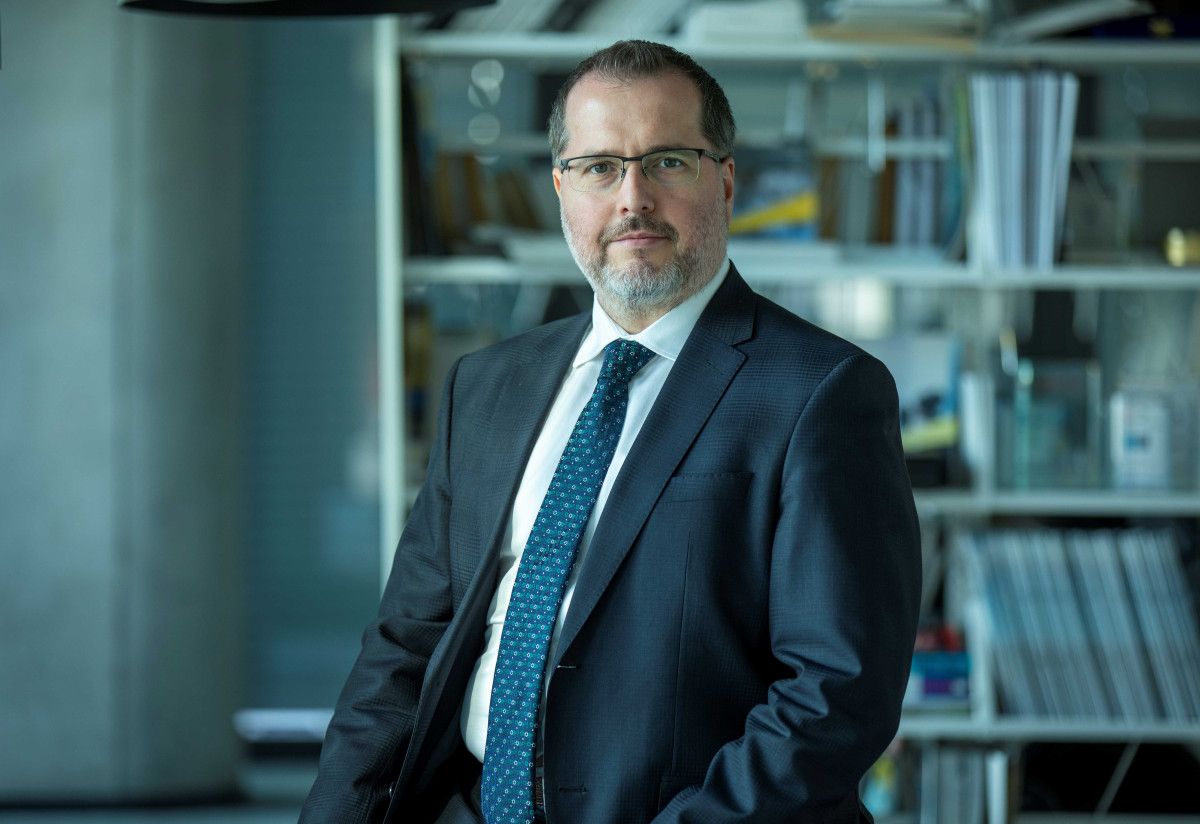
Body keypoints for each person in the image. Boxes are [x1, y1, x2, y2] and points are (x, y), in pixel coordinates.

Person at [301, 39, 921, 824]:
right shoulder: (487, 387)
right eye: (600, 167)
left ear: (726, 181)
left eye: (668, 162)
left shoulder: (822, 392)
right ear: (562, 189)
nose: (633, 198)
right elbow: (403, 648)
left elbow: (835, 695)